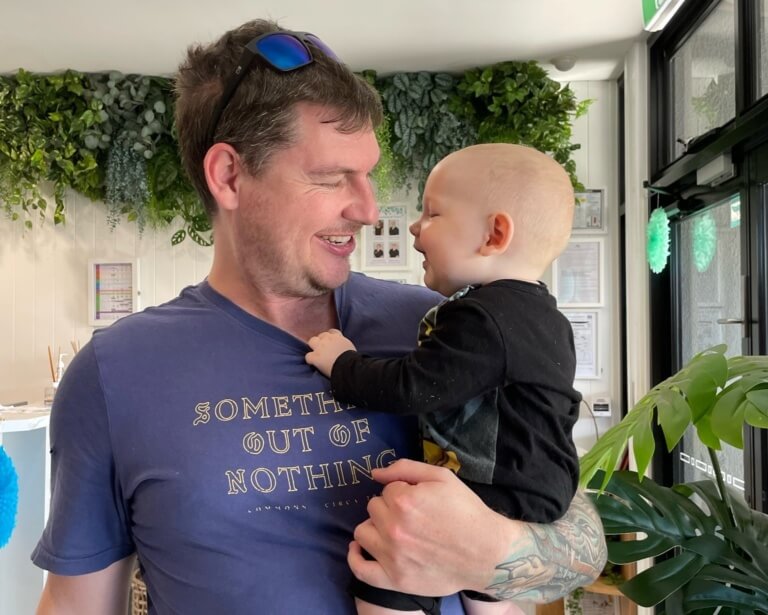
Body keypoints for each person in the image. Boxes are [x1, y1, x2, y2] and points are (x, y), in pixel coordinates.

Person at [32, 19, 606, 615]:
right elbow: (76, 604)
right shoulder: (113, 375)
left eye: (367, 176)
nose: (367, 209)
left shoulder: (446, 327)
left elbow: (577, 538)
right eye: (332, 178)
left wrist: (491, 552)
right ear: (229, 175)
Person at [306, 144, 580, 615]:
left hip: (495, 489)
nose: (413, 227)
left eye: (432, 213)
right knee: (487, 592)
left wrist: (343, 363)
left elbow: (414, 386)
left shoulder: (480, 318)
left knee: (386, 562)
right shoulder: (544, 317)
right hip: (532, 489)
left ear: (494, 234)